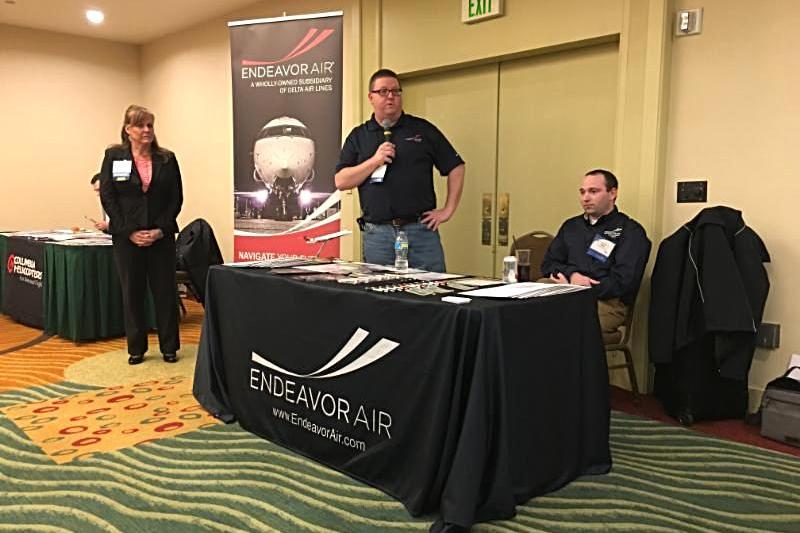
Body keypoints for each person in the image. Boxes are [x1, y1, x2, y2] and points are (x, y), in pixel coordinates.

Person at [335, 68, 465, 272]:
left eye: (396, 91)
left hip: (421, 232)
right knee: (380, 290)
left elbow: (456, 166)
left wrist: (447, 211)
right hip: (378, 235)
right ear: (371, 97)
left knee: (432, 288)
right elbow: (341, 181)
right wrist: (375, 161)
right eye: (383, 91)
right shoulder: (359, 136)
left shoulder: (422, 129)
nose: (390, 96)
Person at [99, 105, 183, 365]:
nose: (147, 130)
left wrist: (159, 230)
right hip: (127, 239)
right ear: (128, 129)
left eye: (150, 125)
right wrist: (129, 231)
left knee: (165, 293)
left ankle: (169, 347)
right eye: (140, 125)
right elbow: (108, 197)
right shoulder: (114, 156)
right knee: (132, 294)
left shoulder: (167, 159)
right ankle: (136, 348)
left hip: (160, 238)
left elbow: (176, 199)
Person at [540, 169, 651, 343]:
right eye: (582, 192)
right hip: (564, 292)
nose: (585, 198)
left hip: (606, 303)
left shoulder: (631, 231)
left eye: (593, 191)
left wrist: (582, 288)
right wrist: (572, 276)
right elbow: (548, 264)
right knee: (525, 312)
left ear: (612, 193)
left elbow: (623, 283)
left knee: (560, 326)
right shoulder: (571, 227)